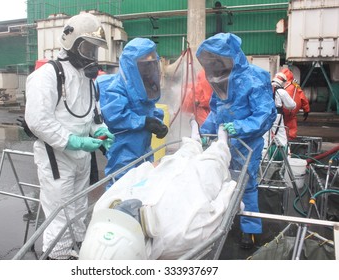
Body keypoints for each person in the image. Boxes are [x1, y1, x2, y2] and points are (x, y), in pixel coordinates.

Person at [24, 12, 114, 260]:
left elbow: (92, 116)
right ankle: (57, 258)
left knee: (78, 208)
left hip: (81, 156)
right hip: (57, 158)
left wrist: (101, 131)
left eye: (94, 50)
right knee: (60, 212)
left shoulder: (88, 80)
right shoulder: (48, 75)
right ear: (70, 43)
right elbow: (37, 120)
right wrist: (72, 141)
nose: (91, 55)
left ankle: (77, 250)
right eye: (87, 48)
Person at [79, 127, 237, 260]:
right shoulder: (181, 237)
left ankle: (193, 140)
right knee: (213, 161)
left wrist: (150, 167)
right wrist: (229, 190)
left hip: (161, 174)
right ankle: (221, 141)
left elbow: (128, 180)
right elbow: (219, 209)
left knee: (180, 156)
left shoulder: (103, 208)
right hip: (196, 181)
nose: (127, 207)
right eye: (130, 219)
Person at [196, 33, 277, 249]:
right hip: (224, 143)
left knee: (246, 186)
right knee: (223, 182)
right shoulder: (219, 81)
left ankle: (250, 230)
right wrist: (206, 131)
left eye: (219, 60)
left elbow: (265, 115)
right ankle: (226, 222)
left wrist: (240, 127)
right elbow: (216, 110)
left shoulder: (254, 78)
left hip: (247, 144)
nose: (216, 66)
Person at [100, 37, 168, 189]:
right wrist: (144, 122)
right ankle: (113, 212)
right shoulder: (117, 87)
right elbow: (115, 116)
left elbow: (150, 107)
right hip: (124, 147)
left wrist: (158, 123)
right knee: (121, 184)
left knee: (143, 181)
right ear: (132, 65)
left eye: (151, 64)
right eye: (144, 65)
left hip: (144, 145)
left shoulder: (145, 84)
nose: (149, 69)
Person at [263, 71, 296, 160]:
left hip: (265, 115)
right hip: (277, 116)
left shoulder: (265, 89)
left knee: (266, 136)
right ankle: (286, 157)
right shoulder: (281, 91)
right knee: (281, 136)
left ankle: (264, 158)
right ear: (283, 81)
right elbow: (292, 105)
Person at [280, 68, 310, 140]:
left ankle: (276, 142)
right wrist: (306, 110)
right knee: (291, 126)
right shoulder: (295, 86)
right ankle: (290, 142)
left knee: (278, 127)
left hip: (279, 111)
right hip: (291, 112)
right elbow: (303, 98)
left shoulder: (278, 85)